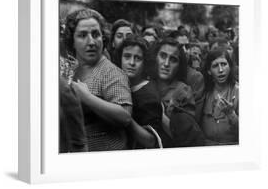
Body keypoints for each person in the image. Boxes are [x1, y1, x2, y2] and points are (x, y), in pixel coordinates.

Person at [63, 8, 133, 151]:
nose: (91, 42)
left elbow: (125, 117)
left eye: (96, 34)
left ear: (104, 38)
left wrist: (87, 97)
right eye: (83, 35)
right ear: (72, 41)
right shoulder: (71, 69)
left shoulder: (111, 72)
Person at [150, 38, 205, 147]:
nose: (166, 64)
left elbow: (185, 135)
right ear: (155, 57)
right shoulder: (147, 83)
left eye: (173, 60)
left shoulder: (183, 91)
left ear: (179, 65)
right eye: (163, 56)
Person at [117, 36, 164, 148]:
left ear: (145, 63)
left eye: (138, 58)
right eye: (127, 57)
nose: (132, 63)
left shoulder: (149, 95)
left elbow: (151, 141)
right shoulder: (120, 83)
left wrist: (126, 119)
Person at [201, 48, 239, 145]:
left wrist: (231, 114)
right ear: (209, 71)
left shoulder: (239, 92)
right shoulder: (204, 92)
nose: (221, 70)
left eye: (224, 64)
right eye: (215, 66)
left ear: (230, 67)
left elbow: (250, 133)